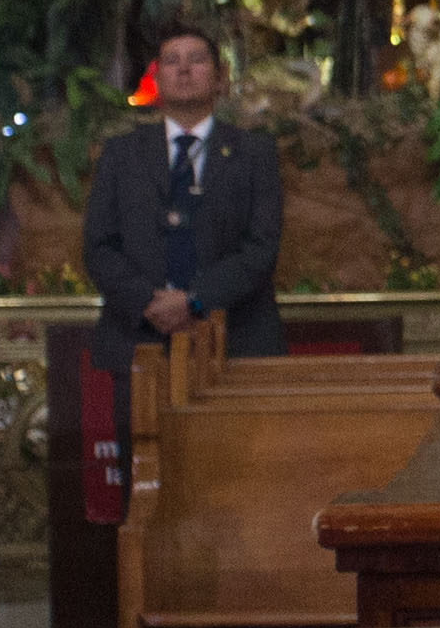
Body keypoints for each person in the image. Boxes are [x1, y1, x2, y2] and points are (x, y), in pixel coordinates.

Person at [86, 26, 288, 370]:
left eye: (196, 60)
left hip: (235, 340)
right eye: (171, 61)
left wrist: (195, 301)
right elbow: (99, 246)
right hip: (138, 341)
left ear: (219, 76)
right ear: (156, 76)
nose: (183, 70)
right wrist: (149, 303)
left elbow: (261, 247)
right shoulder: (121, 154)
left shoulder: (254, 153)